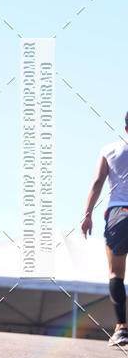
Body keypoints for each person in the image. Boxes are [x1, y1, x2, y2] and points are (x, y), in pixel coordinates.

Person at [81, 112, 128, 346]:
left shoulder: (109, 150)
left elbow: (98, 181)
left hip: (119, 214)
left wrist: (87, 214)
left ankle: (121, 329)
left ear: (126, 127)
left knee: (116, 273)